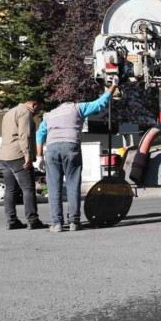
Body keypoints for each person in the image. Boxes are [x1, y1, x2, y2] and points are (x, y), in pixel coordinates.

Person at [36, 80, 117, 233]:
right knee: (73, 185)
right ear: (72, 101)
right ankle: (74, 222)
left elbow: (39, 135)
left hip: (52, 148)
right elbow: (101, 102)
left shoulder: (49, 115)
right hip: (70, 146)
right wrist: (114, 86)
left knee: (54, 188)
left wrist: (39, 156)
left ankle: (57, 223)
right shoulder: (78, 108)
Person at [0, 96, 47, 231]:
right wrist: (27, 156)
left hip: (4, 156)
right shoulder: (25, 113)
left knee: (10, 190)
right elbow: (24, 135)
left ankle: (11, 221)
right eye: (39, 108)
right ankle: (33, 220)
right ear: (34, 104)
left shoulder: (10, 112)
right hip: (18, 155)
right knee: (28, 188)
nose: (38, 112)